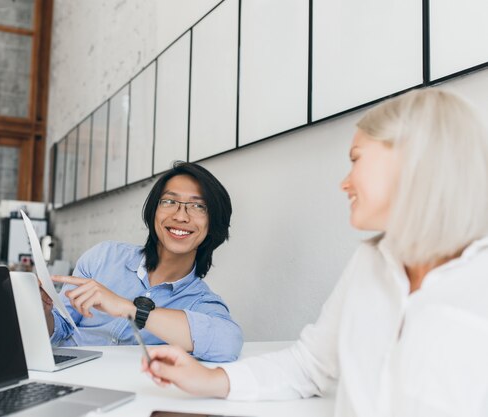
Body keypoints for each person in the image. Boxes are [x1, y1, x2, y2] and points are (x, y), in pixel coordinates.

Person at [142, 88, 488, 416]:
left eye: (356, 160)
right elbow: (308, 366)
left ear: (413, 162)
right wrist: (209, 379)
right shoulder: (370, 263)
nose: (345, 182)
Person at [44, 161, 243, 362]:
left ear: (213, 224)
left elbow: (229, 343)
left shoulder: (201, 302)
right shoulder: (103, 257)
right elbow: (60, 325)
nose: (181, 216)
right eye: (169, 202)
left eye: (198, 206)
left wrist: (130, 309)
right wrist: (42, 311)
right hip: (68, 379)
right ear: (153, 211)